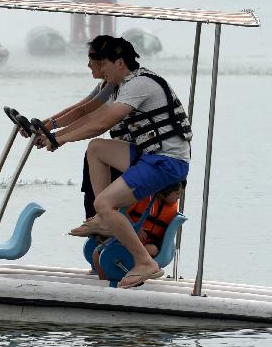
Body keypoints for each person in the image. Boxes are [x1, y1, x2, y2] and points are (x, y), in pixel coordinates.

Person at [40, 36, 192, 289]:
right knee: (97, 149)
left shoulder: (139, 84)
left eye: (100, 63)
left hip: (167, 162)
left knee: (104, 202)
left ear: (119, 62)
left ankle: (145, 263)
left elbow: (102, 122)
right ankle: (103, 218)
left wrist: (59, 139)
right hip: (149, 155)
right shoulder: (121, 84)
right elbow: (88, 114)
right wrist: (50, 129)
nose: (94, 69)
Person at [30, 35, 122, 228]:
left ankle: (103, 218)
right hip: (120, 149)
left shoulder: (116, 85)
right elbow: (80, 108)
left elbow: (90, 117)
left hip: (129, 153)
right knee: (91, 160)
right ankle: (96, 217)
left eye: (91, 60)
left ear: (104, 61)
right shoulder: (105, 85)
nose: (88, 65)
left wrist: (56, 136)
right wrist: (46, 126)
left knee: (95, 152)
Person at [90, 181, 182, 276]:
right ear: (166, 191)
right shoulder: (144, 198)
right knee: (97, 255)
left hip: (153, 245)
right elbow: (122, 213)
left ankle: (143, 269)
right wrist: (135, 227)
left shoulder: (173, 208)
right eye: (177, 193)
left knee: (151, 249)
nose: (178, 197)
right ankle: (106, 283)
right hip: (130, 238)